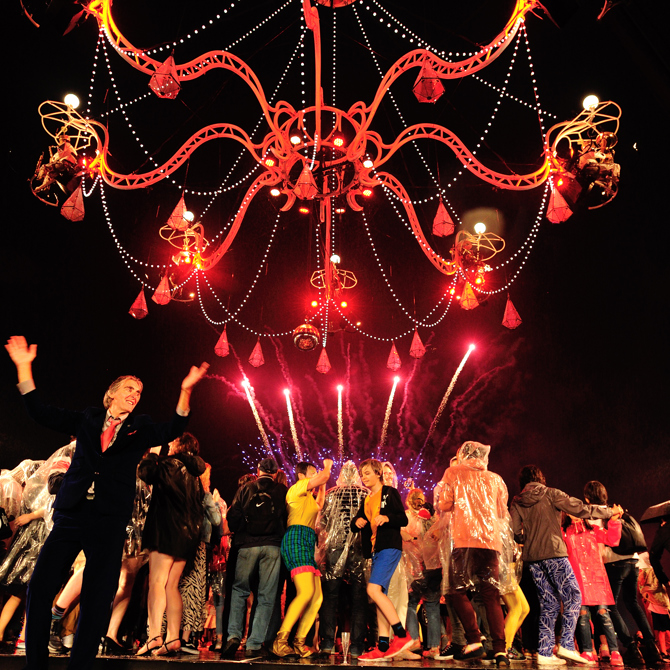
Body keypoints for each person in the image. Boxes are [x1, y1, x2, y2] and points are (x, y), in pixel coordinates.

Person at [4, 334, 209, 670]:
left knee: (98, 597)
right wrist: (24, 368)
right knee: (40, 587)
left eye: (139, 392)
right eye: (129, 388)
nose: (135, 395)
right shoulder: (87, 418)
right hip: (71, 514)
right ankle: (35, 663)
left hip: (108, 520)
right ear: (111, 394)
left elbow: (173, 427)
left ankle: (81, 666)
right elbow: (40, 412)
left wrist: (185, 390)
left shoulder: (140, 427)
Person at [510, 465, 614, 667]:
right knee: (573, 595)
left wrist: (527, 540)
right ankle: (566, 643)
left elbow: (514, 531)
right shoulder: (551, 493)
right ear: (540, 477)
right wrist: (607, 511)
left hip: (533, 559)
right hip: (555, 554)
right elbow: (580, 508)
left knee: (548, 604)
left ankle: (544, 652)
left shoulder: (517, 501)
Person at [439, 441, 510, 667]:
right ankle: (500, 651)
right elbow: (501, 511)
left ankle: (474, 639)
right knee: (491, 596)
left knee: (455, 591)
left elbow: (445, 504)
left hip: (464, 541)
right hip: (491, 544)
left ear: (463, 454)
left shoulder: (453, 473)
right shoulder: (495, 479)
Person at [137, 432, 206, 656]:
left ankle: (154, 635)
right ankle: (173, 637)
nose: (169, 443)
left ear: (179, 445)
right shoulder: (196, 474)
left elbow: (145, 473)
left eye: (173, 441)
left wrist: (153, 454)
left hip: (165, 530)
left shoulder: (168, 464)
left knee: (157, 581)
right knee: (171, 585)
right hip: (188, 536)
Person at [587, 483, 662, 666]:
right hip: (633, 561)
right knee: (632, 603)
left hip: (614, 562)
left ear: (587, 498)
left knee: (610, 606)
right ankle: (651, 647)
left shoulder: (594, 514)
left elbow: (595, 543)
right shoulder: (616, 511)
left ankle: (631, 647)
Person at [223, 457, 288, 658]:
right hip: (272, 547)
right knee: (266, 595)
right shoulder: (282, 491)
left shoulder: (246, 489)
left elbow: (232, 518)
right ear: (275, 473)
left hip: (247, 546)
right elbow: (287, 517)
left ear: (258, 470)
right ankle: (254, 643)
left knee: (239, 590)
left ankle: (233, 636)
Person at [351, 458, 412, 661]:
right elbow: (355, 524)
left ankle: (401, 635)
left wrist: (387, 518)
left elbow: (403, 519)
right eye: (362, 474)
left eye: (368, 473)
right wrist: (357, 521)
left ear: (378, 473)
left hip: (389, 547)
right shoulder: (367, 499)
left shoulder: (389, 492)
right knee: (379, 596)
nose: (364, 477)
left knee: (373, 590)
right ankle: (383, 646)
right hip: (376, 550)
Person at [272, 459, 332, 658]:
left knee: (317, 597)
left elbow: (319, 504)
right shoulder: (297, 488)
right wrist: (327, 466)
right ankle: (280, 641)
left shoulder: (309, 497)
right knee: (306, 591)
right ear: (301, 475)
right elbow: (324, 476)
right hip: (296, 538)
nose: (316, 475)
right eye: (312, 473)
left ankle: (299, 642)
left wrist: (322, 485)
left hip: (306, 541)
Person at [317, 460, 369, 659]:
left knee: (331, 596)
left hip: (335, 547)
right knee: (358, 597)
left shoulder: (331, 494)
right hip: (359, 548)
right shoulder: (365, 494)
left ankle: (327, 643)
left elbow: (322, 523)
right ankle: (357, 646)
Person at [562, 504, 623, 664]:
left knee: (603, 613)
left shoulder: (593, 530)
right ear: (567, 514)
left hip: (596, 577)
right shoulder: (564, 532)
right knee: (582, 614)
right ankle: (587, 651)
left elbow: (612, 540)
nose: (575, 514)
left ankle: (615, 651)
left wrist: (614, 521)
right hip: (576, 578)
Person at [401, 487, 441, 658]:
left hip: (414, 569)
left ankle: (414, 640)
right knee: (432, 606)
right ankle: (434, 647)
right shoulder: (434, 519)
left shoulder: (406, 517)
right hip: (433, 568)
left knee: (411, 604)